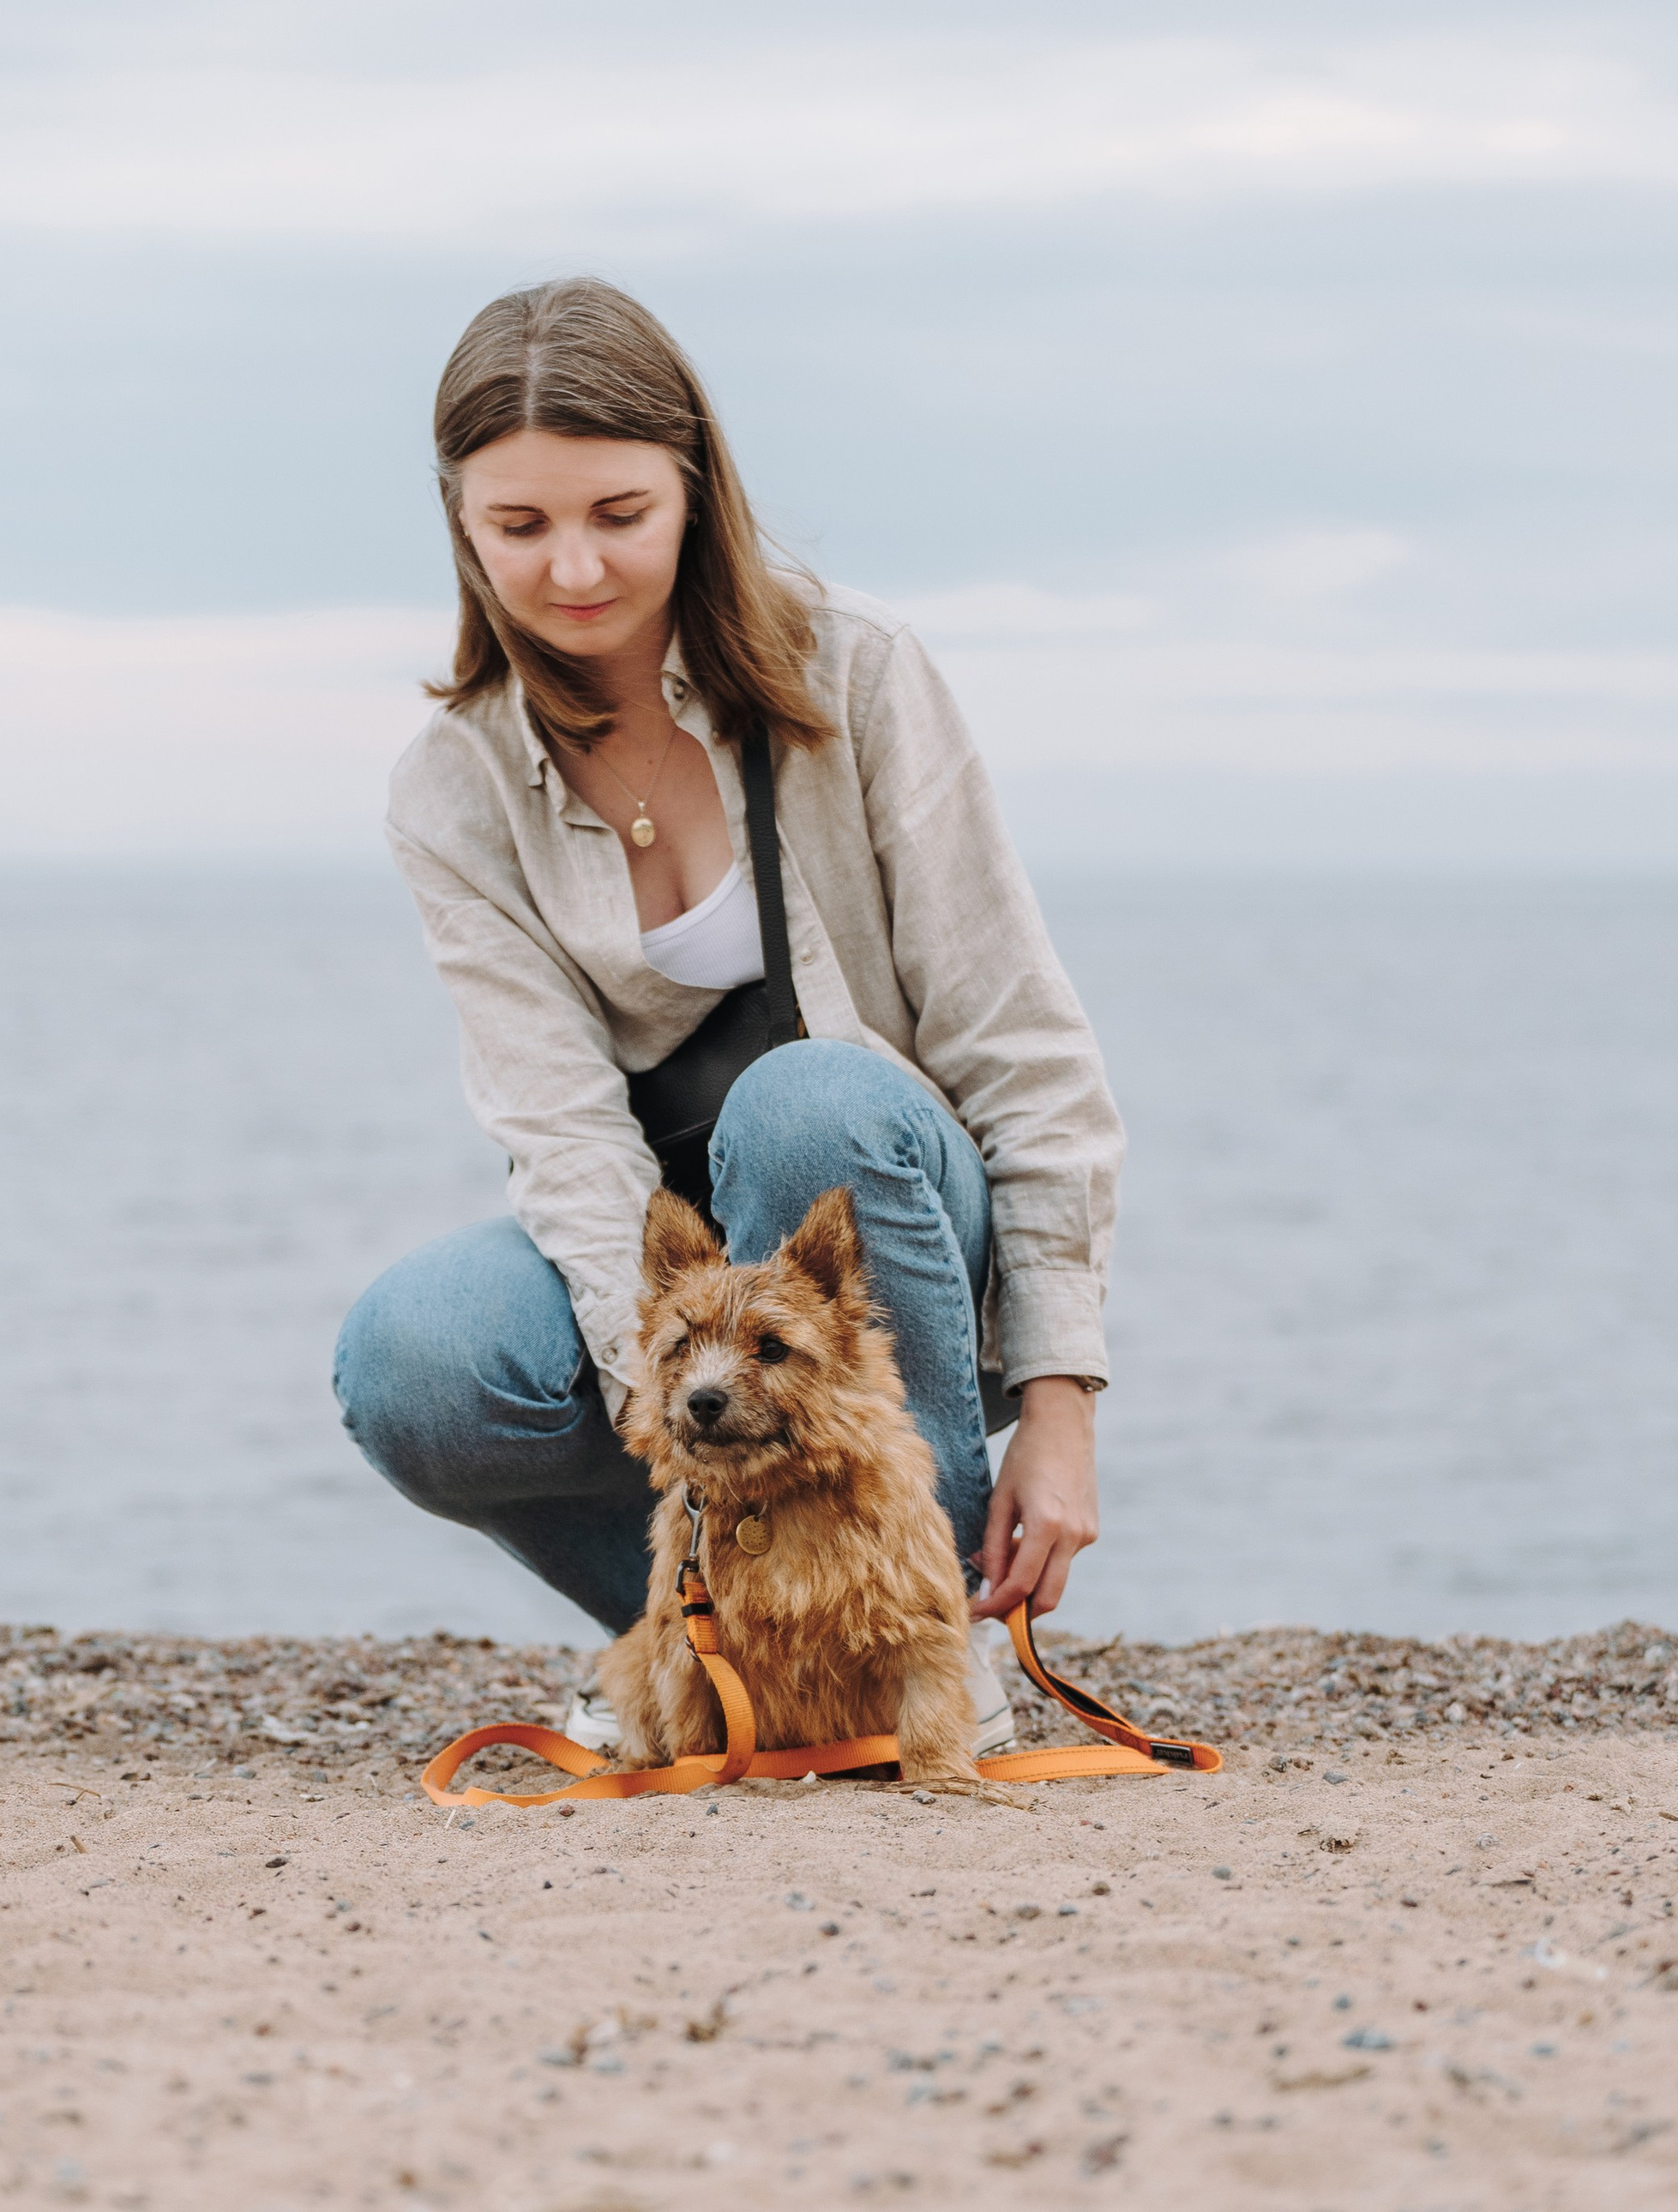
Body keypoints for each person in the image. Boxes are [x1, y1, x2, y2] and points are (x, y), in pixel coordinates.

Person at [334, 278, 1122, 1747]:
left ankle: (932, 1646)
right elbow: (561, 1135)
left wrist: (1065, 1408)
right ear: (461, 522)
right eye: (520, 526)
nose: (573, 567)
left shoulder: (860, 673)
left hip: (885, 1232)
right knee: (414, 1360)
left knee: (806, 1106)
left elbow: (1026, 1052)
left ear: (696, 483)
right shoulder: (449, 789)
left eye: (619, 512)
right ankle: (708, 1647)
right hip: (673, 1291)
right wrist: (675, 1384)